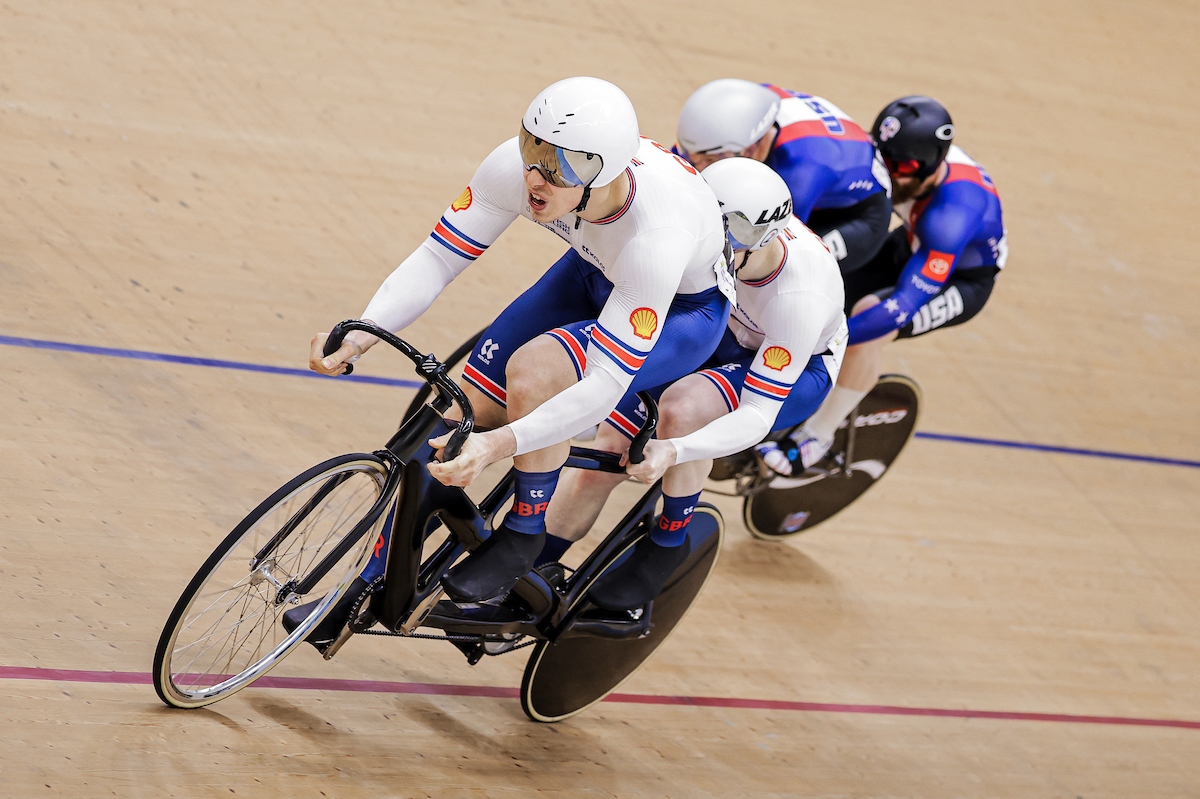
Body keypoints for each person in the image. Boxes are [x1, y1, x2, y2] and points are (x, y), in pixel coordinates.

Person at [285, 76, 731, 651]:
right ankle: (361, 587)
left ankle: (524, 529)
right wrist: (369, 330)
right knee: (452, 416)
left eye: (561, 165)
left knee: (537, 373)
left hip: (680, 312)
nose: (537, 177)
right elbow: (437, 258)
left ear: (607, 170)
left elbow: (600, 387)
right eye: (532, 150)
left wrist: (499, 447)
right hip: (592, 270)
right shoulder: (514, 170)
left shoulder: (657, 231)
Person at [544, 158, 847, 609]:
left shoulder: (800, 296)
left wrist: (676, 449)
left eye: (727, 247)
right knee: (608, 447)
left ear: (763, 240)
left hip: (796, 364)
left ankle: (669, 541)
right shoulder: (704, 232)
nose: (715, 254)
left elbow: (755, 415)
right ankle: (534, 562)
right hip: (721, 327)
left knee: (683, 410)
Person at [757, 95, 1008, 475]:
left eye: (901, 168)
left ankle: (817, 438)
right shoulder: (907, 158)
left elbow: (899, 308)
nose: (890, 172)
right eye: (884, 157)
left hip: (960, 279)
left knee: (866, 320)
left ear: (931, 166)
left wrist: (821, 340)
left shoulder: (951, 215)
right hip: (907, 245)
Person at [675, 78, 893, 276]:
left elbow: (761, 247)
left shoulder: (801, 171)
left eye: (711, 160)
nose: (698, 166)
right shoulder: (744, 108)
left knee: (781, 269)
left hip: (857, 216)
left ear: (751, 149)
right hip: (826, 168)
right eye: (690, 154)